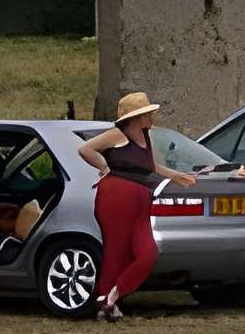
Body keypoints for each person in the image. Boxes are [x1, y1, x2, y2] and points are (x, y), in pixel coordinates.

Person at [76, 92, 196, 321]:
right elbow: (85, 149)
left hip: (141, 200)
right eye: (148, 114)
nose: (152, 117)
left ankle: (111, 296)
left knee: (147, 252)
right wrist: (104, 167)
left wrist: (177, 176)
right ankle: (107, 301)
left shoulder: (146, 137)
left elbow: (151, 166)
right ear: (137, 117)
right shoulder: (117, 135)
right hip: (116, 196)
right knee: (116, 251)